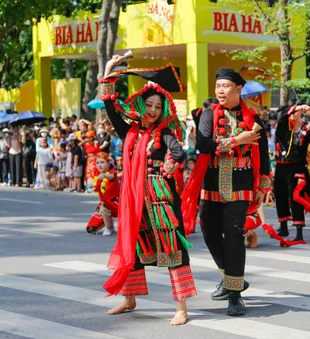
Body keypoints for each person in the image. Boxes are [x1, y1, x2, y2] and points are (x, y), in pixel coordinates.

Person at [99, 56, 196, 326]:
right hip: (135, 200)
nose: (153, 110)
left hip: (162, 201)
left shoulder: (164, 133)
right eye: (149, 104)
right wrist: (108, 71)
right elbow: (109, 104)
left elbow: (179, 152)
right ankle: (130, 299)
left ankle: (181, 307)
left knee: (174, 249)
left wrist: (169, 163)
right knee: (136, 245)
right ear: (141, 104)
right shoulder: (129, 131)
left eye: (157, 106)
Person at [182, 67, 271, 317]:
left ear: (239, 89)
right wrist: (236, 141)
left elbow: (263, 155)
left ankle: (234, 294)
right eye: (218, 86)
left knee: (233, 234)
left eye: (226, 86)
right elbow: (203, 146)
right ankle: (231, 277)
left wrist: (263, 185)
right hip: (211, 183)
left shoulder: (253, 118)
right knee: (209, 232)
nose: (220, 91)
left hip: (240, 184)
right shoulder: (208, 115)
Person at [273, 104, 310, 240]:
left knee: (297, 199)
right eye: (294, 114)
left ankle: (299, 233)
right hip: (281, 166)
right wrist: (300, 108)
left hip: (297, 168)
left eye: (298, 114)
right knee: (280, 196)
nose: (295, 116)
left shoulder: (306, 132)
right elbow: (284, 118)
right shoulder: (283, 128)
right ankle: (283, 227)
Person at [86, 152, 119, 236]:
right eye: (97, 163)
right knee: (90, 229)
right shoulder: (97, 176)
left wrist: (104, 176)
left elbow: (112, 176)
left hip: (116, 203)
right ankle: (110, 225)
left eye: (102, 162)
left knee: (103, 205)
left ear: (108, 163)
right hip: (104, 204)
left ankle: (108, 228)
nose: (99, 165)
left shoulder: (112, 172)